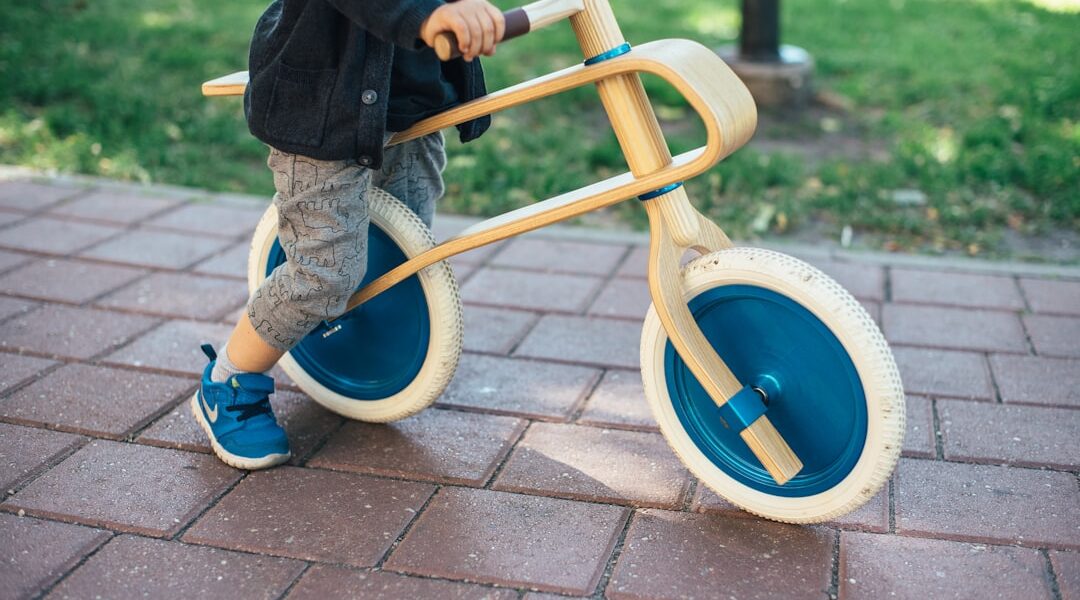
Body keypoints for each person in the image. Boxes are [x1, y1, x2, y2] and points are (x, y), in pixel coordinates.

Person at [192, 0, 505, 469]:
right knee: (325, 273)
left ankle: (358, 350)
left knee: (401, 254)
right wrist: (427, 14)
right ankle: (229, 380)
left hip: (409, 96)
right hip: (323, 102)